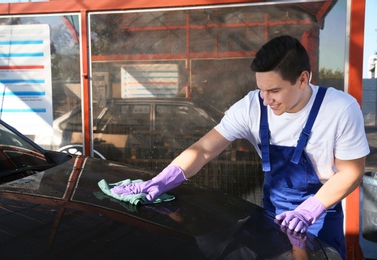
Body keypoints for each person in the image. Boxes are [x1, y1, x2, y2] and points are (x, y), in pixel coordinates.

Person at [111, 35, 370, 258]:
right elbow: (203, 150)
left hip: (320, 218)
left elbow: (351, 171)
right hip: (270, 215)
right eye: (261, 90)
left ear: (303, 79)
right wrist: (160, 182)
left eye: (275, 91)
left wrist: (309, 210)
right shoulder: (251, 106)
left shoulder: (340, 109)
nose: (266, 100)